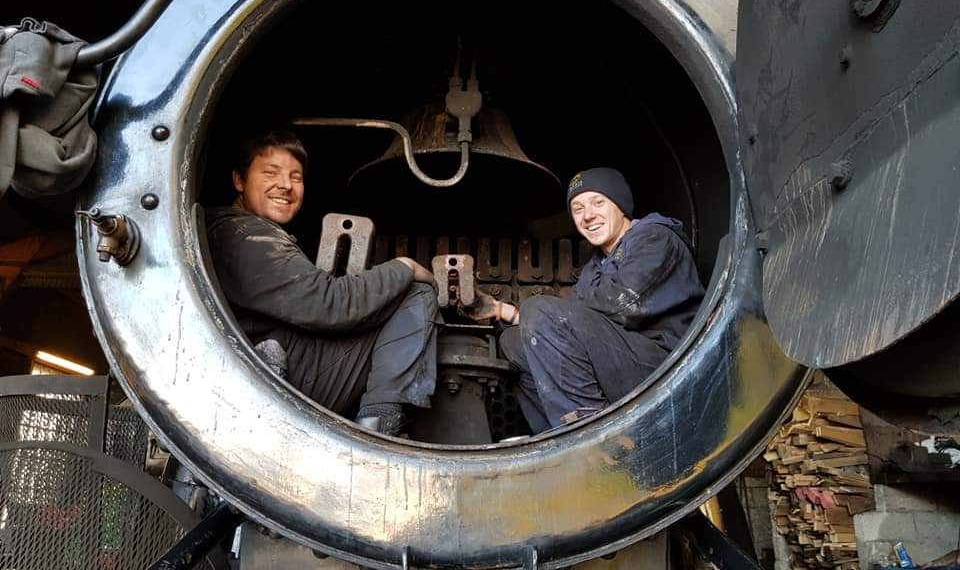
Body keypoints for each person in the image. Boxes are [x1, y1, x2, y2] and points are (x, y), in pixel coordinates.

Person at [205, 130, 440, 435]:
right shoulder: (245, 237)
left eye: (296, 177)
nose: (285, 185)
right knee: (415, 293)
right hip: (278, 384)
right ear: (239, 180)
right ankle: (380, 426)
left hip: (277, 367)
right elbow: (328, 304)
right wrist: (404, 266)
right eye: (270, 173)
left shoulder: (240, 230)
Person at [464, 167, 704, 433]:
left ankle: (591, 434)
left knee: (540, 310)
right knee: (513, 341)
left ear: (621, 206)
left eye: (598, 202)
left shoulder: (654, 237)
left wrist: (547, 313)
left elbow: (623, 304)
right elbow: (564, 324)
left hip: (667, 369)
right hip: (622, 361)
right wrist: (502, 311)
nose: (588, 215)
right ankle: (556, 437)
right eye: (577, 209)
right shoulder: (596, 266)